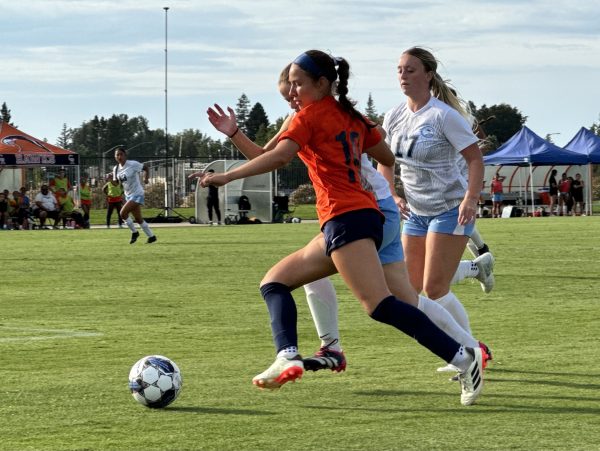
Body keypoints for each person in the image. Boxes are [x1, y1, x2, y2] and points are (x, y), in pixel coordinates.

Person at [197, 50, 484, 406]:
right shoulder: (350, 115)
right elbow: (386, 157)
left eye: (299, 83)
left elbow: (280, 157)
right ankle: (290, 354)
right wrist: (236, 134)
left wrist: (227, 176)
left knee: (380, 306)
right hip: (365, 217)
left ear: (321, 84)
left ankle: (463, 357)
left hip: (347, 219)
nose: (293, 90)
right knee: (275, 282)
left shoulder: (308, 118)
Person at [380, 47, 486, 361]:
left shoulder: (444, 116)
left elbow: (476, 160)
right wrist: (393, 194)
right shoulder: (394, 115)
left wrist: (471, 198)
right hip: (415, 213)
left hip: (451, 208)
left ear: (428, 74)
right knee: (409, 293)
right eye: (399, 69)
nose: (403, 75)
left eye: (410, 70)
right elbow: (384, 161)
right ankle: (472, 347)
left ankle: (471, 351)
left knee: (435, 289)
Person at [113, 147, 156, 244]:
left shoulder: (132, 164)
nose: (119, 157)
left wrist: (146, 178)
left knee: (122, 213)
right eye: (117, 155)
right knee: (138, 219)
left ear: (125, 155)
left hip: (137, 193)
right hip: (128, 195)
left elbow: (146, 168)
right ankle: (152, 236)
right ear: (115, 157)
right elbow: (117, 183)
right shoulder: (116, 169)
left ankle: (134, 232)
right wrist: (111, 180)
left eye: (121, 154)